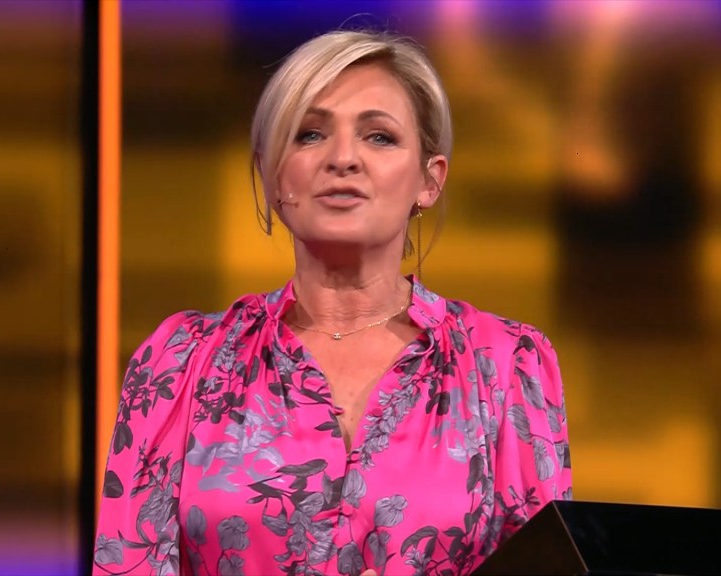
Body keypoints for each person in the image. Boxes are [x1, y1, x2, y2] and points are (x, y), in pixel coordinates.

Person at [92, 29, 571, 576]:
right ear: (273, 173)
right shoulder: (181, 363)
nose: (343, 158)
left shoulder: (506, 366)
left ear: (429, 180)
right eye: (310, 134)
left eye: (379, 137)